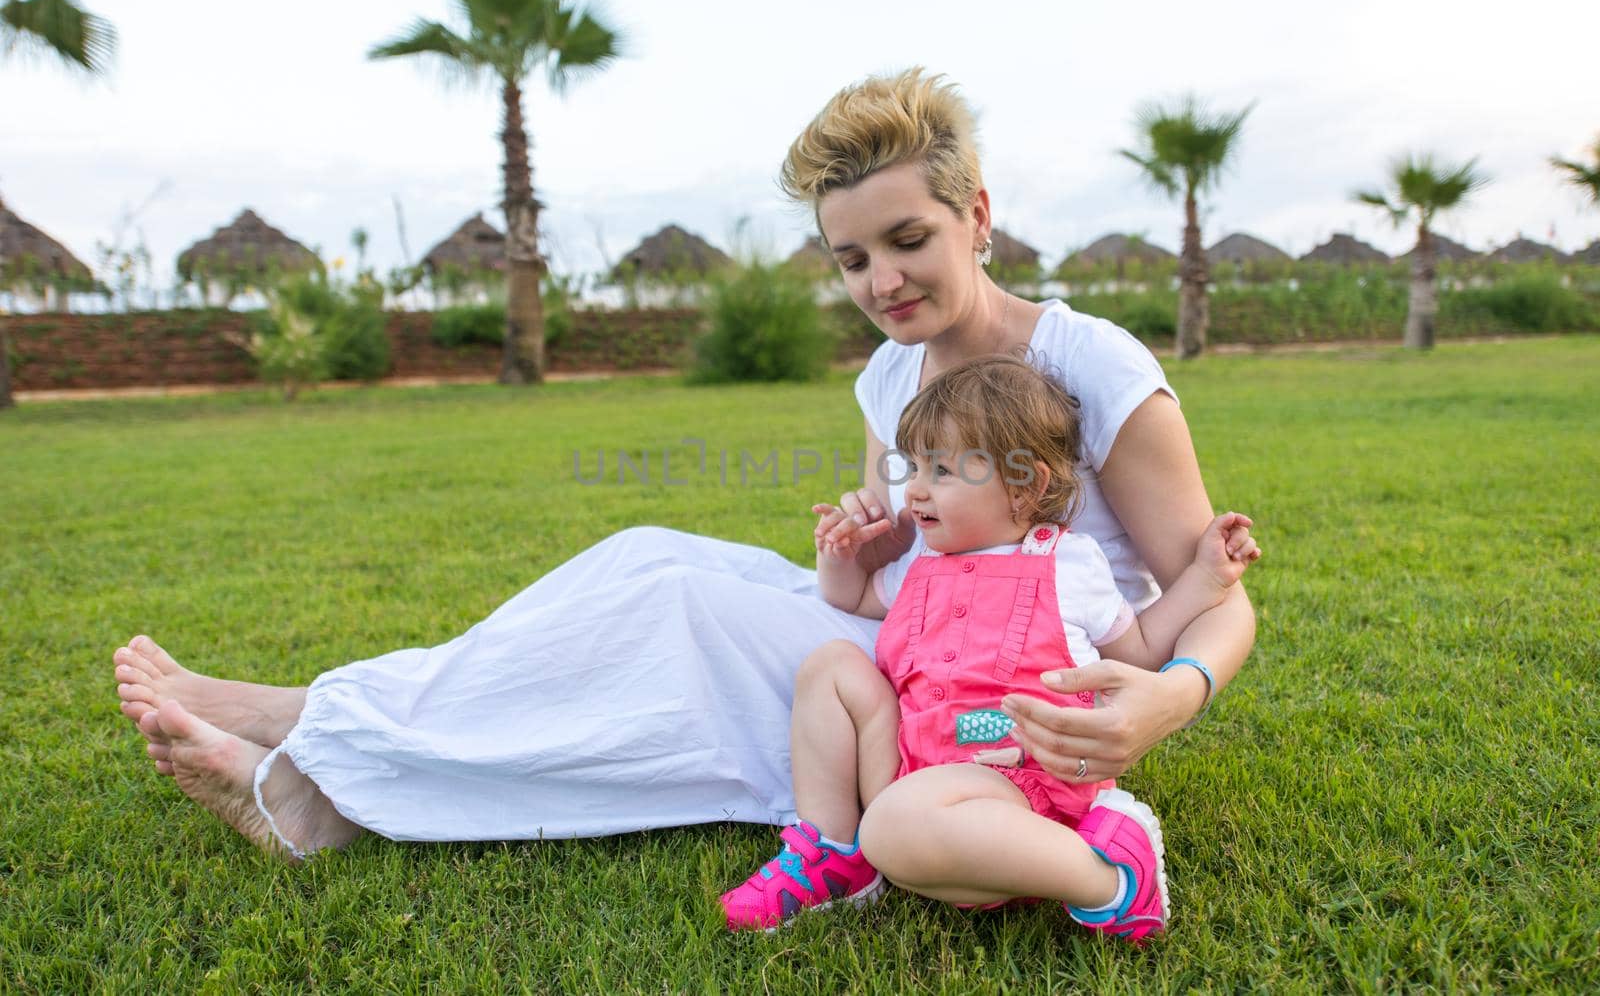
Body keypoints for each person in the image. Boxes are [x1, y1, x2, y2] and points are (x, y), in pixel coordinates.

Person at [112, 68, 1256, 857]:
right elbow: (906, 559)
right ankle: (324, 716)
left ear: (976, 216)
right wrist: (860, 548)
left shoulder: (1090, 360)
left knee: (675, 612)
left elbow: (1216, 589)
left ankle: (318, 791)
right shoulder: (886, 377)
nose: (883, 282)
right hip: (908, 633)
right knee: (640, 553)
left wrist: (1163, 700)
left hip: (1014, 700)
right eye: (852, 259)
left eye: (908, 241)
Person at [718, 355, 1259, 939]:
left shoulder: (1066, 563)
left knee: (894, 827)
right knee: (831, 666)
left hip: (1017, 774)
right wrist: (840, 555)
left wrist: (1204, 581)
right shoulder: (921, 563)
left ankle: (1111, 878)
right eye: (913, 467)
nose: (916, 488)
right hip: (917, 764)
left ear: (1026, 486)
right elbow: (853, 599)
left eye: (944, 472)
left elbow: (1140, 648)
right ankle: (835, 853)